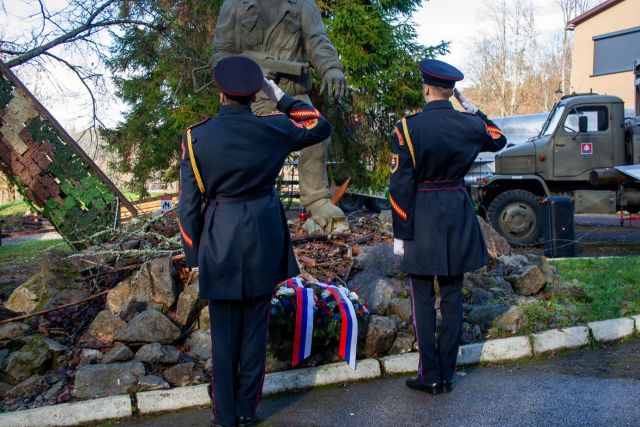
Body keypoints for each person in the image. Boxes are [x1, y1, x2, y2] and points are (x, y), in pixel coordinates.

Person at [178, 56, 331, 427]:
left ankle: (225, 415)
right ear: (254, 94)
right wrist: (280, 96)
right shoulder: (274, 126)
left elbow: (188, 206)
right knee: (254, 332)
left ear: (221, 92)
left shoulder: (197, 136)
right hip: (264, 236)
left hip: (220, 238)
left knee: (224, 336)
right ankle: (247, 409)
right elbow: (319, 126)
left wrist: (193, 256)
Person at [389, 59, 507, 395]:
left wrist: (400, 231)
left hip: (422, 215)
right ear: (452, 91)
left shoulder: (407, 128)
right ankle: (448, 374)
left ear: (425, 87)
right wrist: (473, 109)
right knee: (453, 295)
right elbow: (499, 139)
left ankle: (430, 375)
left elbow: (399, 185)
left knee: (423, 299)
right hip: (457, 211)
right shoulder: (469, 124)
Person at [211, 0, 347, 228]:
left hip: (293, 95)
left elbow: (317, 40)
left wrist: (331, 67)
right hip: (251, 98)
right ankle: (250, 203)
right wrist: (250, 70)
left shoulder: (303, 4)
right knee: (253, 146)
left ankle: (316, 200)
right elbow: (219, 55)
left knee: (317, 134)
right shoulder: (234, 4)